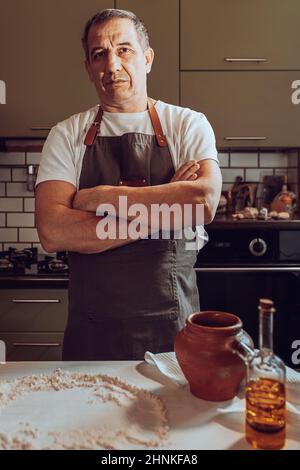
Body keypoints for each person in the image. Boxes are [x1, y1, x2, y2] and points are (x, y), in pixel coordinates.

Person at [35, 9, 222, 360]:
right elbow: (53, 231)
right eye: (99, 54)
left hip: (172, 335)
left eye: (124, 49)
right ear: (89, 68)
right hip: (91, 338)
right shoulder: (67, 134)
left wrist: (100, 197)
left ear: (147, 58)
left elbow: (203, 203)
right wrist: (167, 209)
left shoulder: (187, 125)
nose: (112, 65)